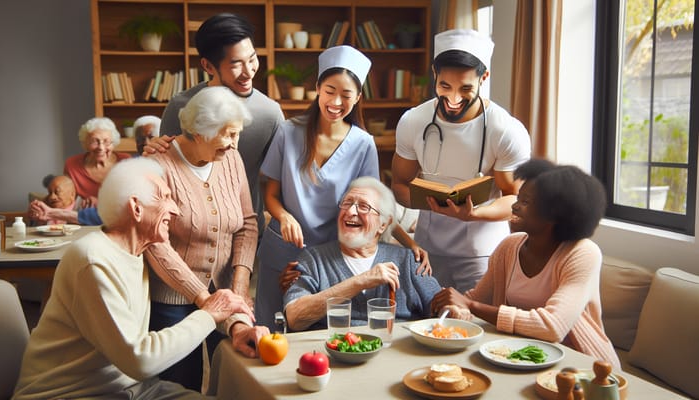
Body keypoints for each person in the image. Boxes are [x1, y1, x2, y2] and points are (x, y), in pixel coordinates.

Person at [13, 157, 254, 399]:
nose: (176, 209)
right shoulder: (93, 259)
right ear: (136, 208)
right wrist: (209, 314)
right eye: (165, 197)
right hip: (70, 394)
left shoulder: (139, 251)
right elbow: (140, 359)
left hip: (134, 389)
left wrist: (236, 323)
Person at [255, 45, 430, 330]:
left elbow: (376, 205)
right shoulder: (288, 132)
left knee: (314, 331)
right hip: (284, 249)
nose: (336, 101)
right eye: (330, 90)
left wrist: (411, 245)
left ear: (358, 97)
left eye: (346, 95)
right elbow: (271, 194)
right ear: (317, 89)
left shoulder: (362, 144)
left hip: (325, 256)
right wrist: (284, 216)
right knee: (270, 329)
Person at [430, 159, 621, 368]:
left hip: (583, 368)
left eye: (526, 202)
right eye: (518, 198)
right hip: (518, 358)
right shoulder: (509, 247)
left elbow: (552, 327)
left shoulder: (582, 254)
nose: (514, 206)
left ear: (554, 215)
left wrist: (470, 306)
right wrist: (456, 307)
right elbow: (475, 300)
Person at [144, 86, 267, 391]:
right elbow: (156, 243)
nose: (234, 144)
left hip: (227, 291)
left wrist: (238, 288)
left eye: (237, 133)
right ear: (198, 133)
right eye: (228, 135)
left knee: (237, 377)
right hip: (173, 299)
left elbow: (248, 225)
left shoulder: (232, 159)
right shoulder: (157, 165)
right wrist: (204, 297)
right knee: (179, 387)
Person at [391, 29, 531, 292]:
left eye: (465, 88)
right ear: (435, 75)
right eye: (445, 86)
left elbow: (515, 199)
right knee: (424, 323)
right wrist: (431, 203)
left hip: (481, 252)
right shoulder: (413, 121)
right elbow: (399, 184)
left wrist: (473, 214)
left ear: (484, 77)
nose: (453, 99)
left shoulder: (506, 130)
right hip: (427, 249)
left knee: (477, 325)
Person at [148, 13, 284, 239]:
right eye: (236, 64)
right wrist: (155, 152)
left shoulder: (269, 113)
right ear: (208, 66)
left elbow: (280, 180)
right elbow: (166, 172)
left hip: (246, 233)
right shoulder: (181, 107)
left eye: (252, 59)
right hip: (190, 234)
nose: (249, 71)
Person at [283, 177, 441, 332]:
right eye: (347, 203)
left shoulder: (408, 261)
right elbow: (294, 318)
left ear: (383, 224)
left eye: (364, 207)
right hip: (333, 352)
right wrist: (362, 281)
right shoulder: (313, 260)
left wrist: (453, 308)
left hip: (398, 351)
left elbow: (440, 308)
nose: (351, 211)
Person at [64, 117, 131, 208]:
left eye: (106, 142)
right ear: (85, 143)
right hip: (86, 219)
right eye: (94, 141)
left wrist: (100, 203)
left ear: (113, 143)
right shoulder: (72, 165)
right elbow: (66, 200)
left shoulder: (125, 161)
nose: (101, 148)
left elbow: (132, 198)